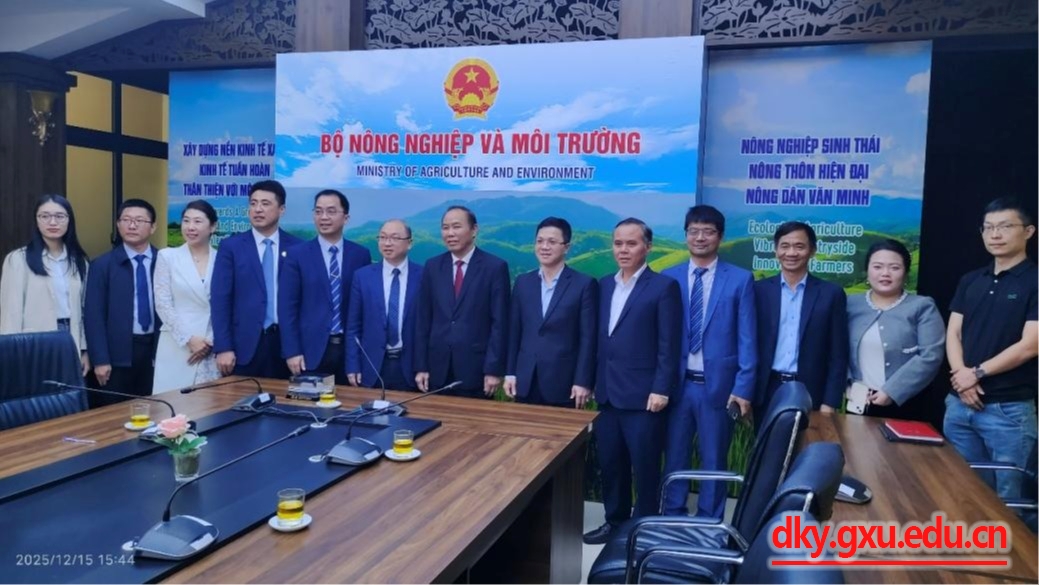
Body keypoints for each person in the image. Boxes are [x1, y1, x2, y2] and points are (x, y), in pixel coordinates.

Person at [583, 218, 682, 545]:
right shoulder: (603, 285)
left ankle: (644, 530)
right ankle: (614, 523)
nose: (623, 250)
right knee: (611, 464)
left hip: (644, 397)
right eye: (618, 243)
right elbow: (598, 340)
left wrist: (661, 388)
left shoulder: (663, 287)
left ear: (647, 247)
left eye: (631, 243)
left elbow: (669, 344)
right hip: (607, 393)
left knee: (645, 466)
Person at [661, 205, 757, 519]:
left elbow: (747, 338)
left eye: (708, 231)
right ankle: (672, 515)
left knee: (714, 458)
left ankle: (709, 521)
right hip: (677, 386)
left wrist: (743, 387)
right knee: (674, 455)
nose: (700, 237)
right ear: (685, 235)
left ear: (720, 236)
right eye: (694, 231)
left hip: (719, 388)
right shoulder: (669, 277)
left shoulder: (740, 279)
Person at [945, 197, 1037, 506]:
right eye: (988, 227)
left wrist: (976, 374)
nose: (995, 234)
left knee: (1012, 501)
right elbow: (953, 333)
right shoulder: (971, 280)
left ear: (1028, 231)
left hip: (1008, 410)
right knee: (962, 494)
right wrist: (962, 378)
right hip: (959, 405)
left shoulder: (1035, 281)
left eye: (1005, 226)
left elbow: (1031, 344)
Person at [414, 205, 510, 398]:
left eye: (456, 227)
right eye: (445, 227)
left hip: (476, 370)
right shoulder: (433, 266)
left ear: (474, 230)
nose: (450, 233)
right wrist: (421, 366)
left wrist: (493, 369)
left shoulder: (494, 268)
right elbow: (423, 319)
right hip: (437, 368)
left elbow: (500, 323)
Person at [754, 221, 848, 415]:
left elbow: (838, 354)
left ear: (812, 251)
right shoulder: (759, 291)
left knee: (808, 437)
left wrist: (830, 402)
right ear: (775, 251)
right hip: (767, 390)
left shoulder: (831, 294)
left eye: (799, 246)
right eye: (785, 246)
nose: (791, 253)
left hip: (811, 392)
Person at [211, 180, 303, 379]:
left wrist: (297, 347)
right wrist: (224, 346)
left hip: (286, 345)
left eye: (265, 203)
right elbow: (220, 300)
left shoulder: (297, 248)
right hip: (244, 346)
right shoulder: (231, 247)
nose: (258, 209)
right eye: (253, 203)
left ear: (282, 209)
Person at [280, 189, 372, 384]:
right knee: (310, 402)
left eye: (331, 211)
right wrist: (292, 351)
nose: (324, 217)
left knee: (350, 402)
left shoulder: (360, 255)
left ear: (346, 218)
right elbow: (287, 308)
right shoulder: (297, 255)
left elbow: (363, 307)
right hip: (310, 351)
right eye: (318, 211)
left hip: (349, 352)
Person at [504, 217, 597, 408]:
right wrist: (510, 372)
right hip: (525, 380)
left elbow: (588, 338)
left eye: (552, 242)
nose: (544, 247)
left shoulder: (584, 284)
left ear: (566, 247)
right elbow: (514, 332)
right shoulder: (523, 282)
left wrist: (582, 380)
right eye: (540, 241)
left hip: (564, 382)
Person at [846, 239, 945, 418]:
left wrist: (892, 391)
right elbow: (836, 351)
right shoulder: (850, 304)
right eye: (877, 267)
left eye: (894, 267)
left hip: (907, 403)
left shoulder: (922, 306)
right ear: (867, 270)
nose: (885, 273)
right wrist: (846, 385)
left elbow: (931, 355)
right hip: (858, 400)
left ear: (906, 273)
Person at [0, 194, 90, 375]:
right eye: (45, 216)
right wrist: (11, 351)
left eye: (60, 216)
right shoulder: (18, 259)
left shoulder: (79, 261)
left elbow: (84, 310)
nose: (53, 222)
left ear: (69, 220)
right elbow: (11, 311)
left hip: (70, 337)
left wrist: (84, 349)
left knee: (68, 389)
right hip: (33, 339)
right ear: (36, 220)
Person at [84, 199, 160, 401]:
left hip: (156, 351)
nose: (132, 225)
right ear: (118, 225)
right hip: (117, 355)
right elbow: (93, 316)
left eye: (139, 220)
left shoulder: (165, 261)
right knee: (115, 413)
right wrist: (100, 359)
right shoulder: (102, 265)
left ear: (153, 227)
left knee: (155, 409)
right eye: (126, 220)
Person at [152, 200, 220, 393]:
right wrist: (189, 339)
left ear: (213, 227)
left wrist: (210, 341)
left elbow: (229, 304)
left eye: (198, 221)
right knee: (173, 404)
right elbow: (163, 303)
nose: (191, 227)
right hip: (177, 343)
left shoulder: (222, 258)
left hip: (211, 345)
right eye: (186, 221)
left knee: (209, 404)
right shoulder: (167, 256)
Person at [346, 219, 423, 391]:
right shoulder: (363, 277)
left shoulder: (423, 276)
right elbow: (353, 326)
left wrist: (424, 367)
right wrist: (352, 365)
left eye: (395, 238)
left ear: (409, 243)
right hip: (372, 365)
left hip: (410, 366)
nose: (387, 243)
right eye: (382, 237)